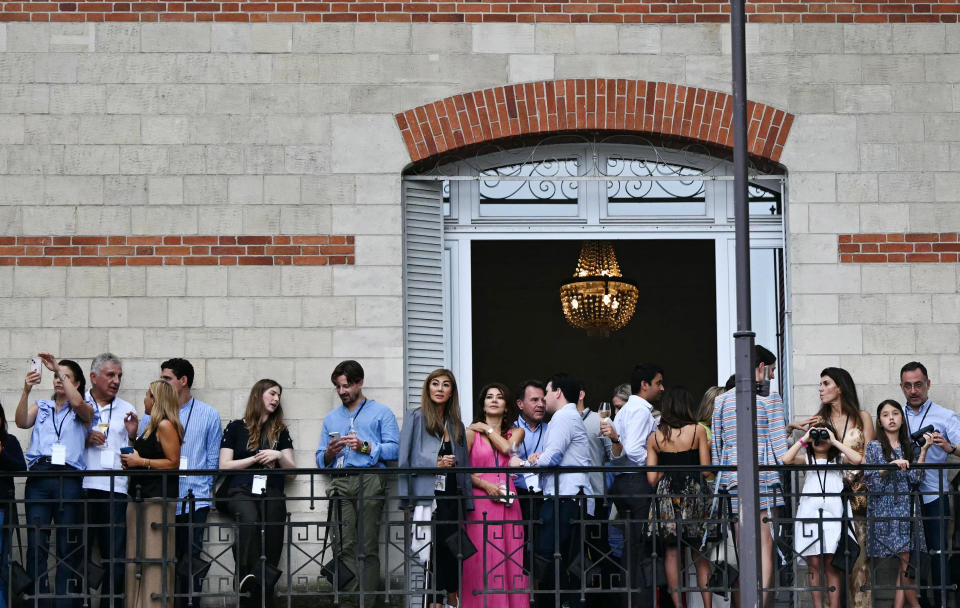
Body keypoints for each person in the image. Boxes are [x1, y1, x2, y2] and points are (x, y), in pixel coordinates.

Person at [317, 360, 400, 603]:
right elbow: (320, 458)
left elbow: (394, 450)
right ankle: (349, 601)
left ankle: (368, 602)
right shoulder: (331, 418)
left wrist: (365, 447)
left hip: (370, 479)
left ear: (359, 383)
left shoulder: (381, 412)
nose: (342, 392)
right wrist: (330, 453)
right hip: (340, 481)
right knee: (343, 546)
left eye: (346, 386)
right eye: (338, 387)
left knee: (367, 546)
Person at [16, 353, 94, 608]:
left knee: (66, 543)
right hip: (39, 476)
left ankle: (63, 601)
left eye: (66, 377)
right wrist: (26, 390)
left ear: (78, 383)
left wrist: (58, 369)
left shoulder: (83, 409)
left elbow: (79, 403)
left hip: (69, 478)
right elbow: (20, 421)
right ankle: (37, 600)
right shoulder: (42, 406)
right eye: (57, 377)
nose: (58, 380)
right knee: (37, 543)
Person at [711, 346, 788, 607]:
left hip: (733, 480)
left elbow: (717, 449)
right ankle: (761, 603)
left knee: (744, 549)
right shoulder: (771, 399)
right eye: (773, 370)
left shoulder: (722, 400)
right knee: (765, 546)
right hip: (765, 479)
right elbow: (780, 450)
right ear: (761, 367)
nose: (773, 376)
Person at [511, 373, 593, 608]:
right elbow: (556, 455)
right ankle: (564, 601)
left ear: (557, 392)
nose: (544, 399)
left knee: (549, 556)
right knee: (561, 557)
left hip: (565, 498)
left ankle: (563, 603)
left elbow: (554, 457)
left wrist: (525, 463)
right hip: (567, 497)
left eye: (547, 393)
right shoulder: (567, 417)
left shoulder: (562, 418)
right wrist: (541, 458)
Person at [799, 367, 874, 608]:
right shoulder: (819, 421)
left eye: (825, 383)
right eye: (820, 384)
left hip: (857, 496)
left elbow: (870, 456)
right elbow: (808, 459)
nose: (820, 389)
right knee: (826, 560)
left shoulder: (862, 417)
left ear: (840, 387)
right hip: (828, 497)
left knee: (858, 562)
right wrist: (792, 429)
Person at [398, 369, 472, 608]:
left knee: (451, 548)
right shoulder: (415, 417)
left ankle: (450, 598)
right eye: (435, 384)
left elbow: (465, 467)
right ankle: (435, 601)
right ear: (428, 389)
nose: (440, 389)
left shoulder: (457, 424)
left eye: (446, 385)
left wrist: (468, 501)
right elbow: (404, 461)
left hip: (451, 495)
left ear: (452, 392)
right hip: (427, 496)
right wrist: (434, 464)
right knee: (432, 550)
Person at [218, 380, 295, 608]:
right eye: (272, 394)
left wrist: (278, 456)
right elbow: (224, 465)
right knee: (249, 521)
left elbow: (292, 473)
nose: (276, 399)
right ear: (258, 395)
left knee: (272, 540)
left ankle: (265, 594)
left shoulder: (280, 431)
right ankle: (244, 577)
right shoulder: (235, 427)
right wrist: (254, 459)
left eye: (278, 396)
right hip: (240, 489)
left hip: (270, 491)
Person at [159, 358, 222, 608]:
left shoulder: (208, 414)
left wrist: (203, 492)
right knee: (163, 560)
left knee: (191, 560)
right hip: (163, 500)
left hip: (194, 501)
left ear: (183, 381)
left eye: (167, 379)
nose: (161, 383)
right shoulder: (157, 412)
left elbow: (213, 460)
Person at [898, 361, 960, 608]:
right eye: (908, 386)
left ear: (928, 384)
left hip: (934, 496)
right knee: (910, 558)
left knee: (937, 554)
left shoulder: (946, 416)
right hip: (903, 498)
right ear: (902, 387)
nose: (913, 391)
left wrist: (949, 447)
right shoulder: (894, 416)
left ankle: (942, 603)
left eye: (918, 385)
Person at [782, 421, 863, 608]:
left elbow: (857, 460)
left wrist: (834, 440)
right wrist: (805, 438)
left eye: (823, 435)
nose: (820, 439)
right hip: (810, 516)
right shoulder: (807, 459)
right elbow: (786, 460)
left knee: (831, 563)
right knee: (814, 564)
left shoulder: (838, 459)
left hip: (833, 516)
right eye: (817, 436)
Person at [644, 387, 712, 608]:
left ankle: (677, 605)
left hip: (667, 494)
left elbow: (651, 479)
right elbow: (706, 471)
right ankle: (708, 605)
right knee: (700, 552)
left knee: (672, 552)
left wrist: (668, 471)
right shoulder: (697, 431)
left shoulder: (655, 438)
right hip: (693, 492)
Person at [600, 364, 661, 608]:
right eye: (658, 382)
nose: (661, 387)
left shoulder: (625, 411)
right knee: (640, 548)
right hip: (636, 482)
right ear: (644, 385)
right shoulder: (639, 410)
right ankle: (639, 602)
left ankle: (630, 600)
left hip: (623, 482)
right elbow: (634, 450)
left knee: (631, 549)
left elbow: (619, 452)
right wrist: (653, 463)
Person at [464, 383, 527, 608]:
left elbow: (509, 449)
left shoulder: (516, 432)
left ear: (506, 406)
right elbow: (462, 472)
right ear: (482, 404)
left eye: (499, 397)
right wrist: (485, 485)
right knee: (481, 559)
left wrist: (488, 429)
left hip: (509, 503)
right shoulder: (470, 433)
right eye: (488, 397)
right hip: (480, 502)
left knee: (511, 558)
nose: (493, 400)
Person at [82, 353, 137, 608]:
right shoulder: (79, 404)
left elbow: (134, 455)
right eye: (110, 375)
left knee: (114, 557)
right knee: (76, 552)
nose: (116, 381)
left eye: (119, 376)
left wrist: (133, 437)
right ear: (93, 377)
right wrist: (85, 439)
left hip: (114, 491)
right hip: (81, 488)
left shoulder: (128, 410)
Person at [865, 399, 932, 608]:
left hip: (906, 508)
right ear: (880, 421)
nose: (891, 418)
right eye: (886, 415)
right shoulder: (874, 447)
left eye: (895, 413)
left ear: (902, 419)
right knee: (904, 565)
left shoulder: (908, 447)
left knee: (906, 563)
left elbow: (916, 480)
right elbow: (871, 481)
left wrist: (923, 452)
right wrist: (890, 466)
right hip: (884, 509)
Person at [122, 380, 184, 608]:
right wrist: (131, 439)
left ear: (157, 400)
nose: (145, 399)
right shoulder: (151, 426)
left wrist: (141, 461)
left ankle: (153, 604)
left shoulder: (166, 425)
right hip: (140, 497)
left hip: (156, 500)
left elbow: (173, 462)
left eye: (148, 395)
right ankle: (137, 602)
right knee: (136, 556)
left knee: (154, 556)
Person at [0, 401, 26, 608]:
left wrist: (2, 453)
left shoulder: (9, 442)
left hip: (2, 508)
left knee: (2, 559)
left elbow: (20, 467)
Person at [511, 380, 547, 525]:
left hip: (544, 496)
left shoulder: (552, 429)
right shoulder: (508, 429)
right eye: (534, 400)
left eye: (543, 400)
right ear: (520, 404)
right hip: (515, 496)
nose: (541, 404)